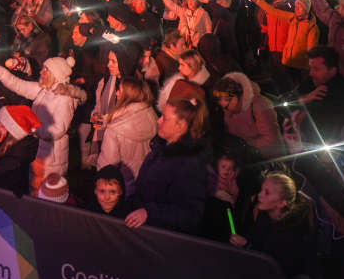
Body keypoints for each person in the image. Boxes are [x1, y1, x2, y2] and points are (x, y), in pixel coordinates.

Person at [0, 55, 86, 192]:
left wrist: (32, 129)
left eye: (45, 70)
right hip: (38, 152)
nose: (41, 72)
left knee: (49, 195)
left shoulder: (65, 98)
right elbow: (17, 84)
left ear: (55, 74)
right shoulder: (44, 90)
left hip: (52, 158)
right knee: (35, 190)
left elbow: (58, 130)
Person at [125, 98, 209, 234]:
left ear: (180, 126)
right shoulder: (159, 150)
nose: (158, 121)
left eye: (164, 118)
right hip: (145, 232)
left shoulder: (190, 163)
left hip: (164, 239)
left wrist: (149, 213)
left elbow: (191, 214)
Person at [228, 173, 318, 279]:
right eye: (262, 190)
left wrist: (247, 245)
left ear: (281, 203)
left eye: (267, 193)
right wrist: (245, 243)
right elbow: (256, 243)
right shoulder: (264, 215)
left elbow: (275, 269)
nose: (260, 195)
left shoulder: (292, 233)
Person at [96, 77, 158, 193]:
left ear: (128, 95)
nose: (116, 93)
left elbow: (107, 165)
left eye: (119, 90)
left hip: (123, 184)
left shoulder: (114, 130)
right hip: (147, 178)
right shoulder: (152, 115)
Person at [294, 45, 344, 143]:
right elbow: (280, 104)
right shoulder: (311, 82)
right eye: (311, 68)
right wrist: (304, 99)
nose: (311, 73)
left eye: (316, 69)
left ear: (332, 71)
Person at [213, 73, 284, 159]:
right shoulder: (229, 110)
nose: (225, 110)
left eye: (226, 107)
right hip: (245, 158)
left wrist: (243, 146)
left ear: (235, 98)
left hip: (264, 160)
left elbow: (272, 142)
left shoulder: (259, 105)